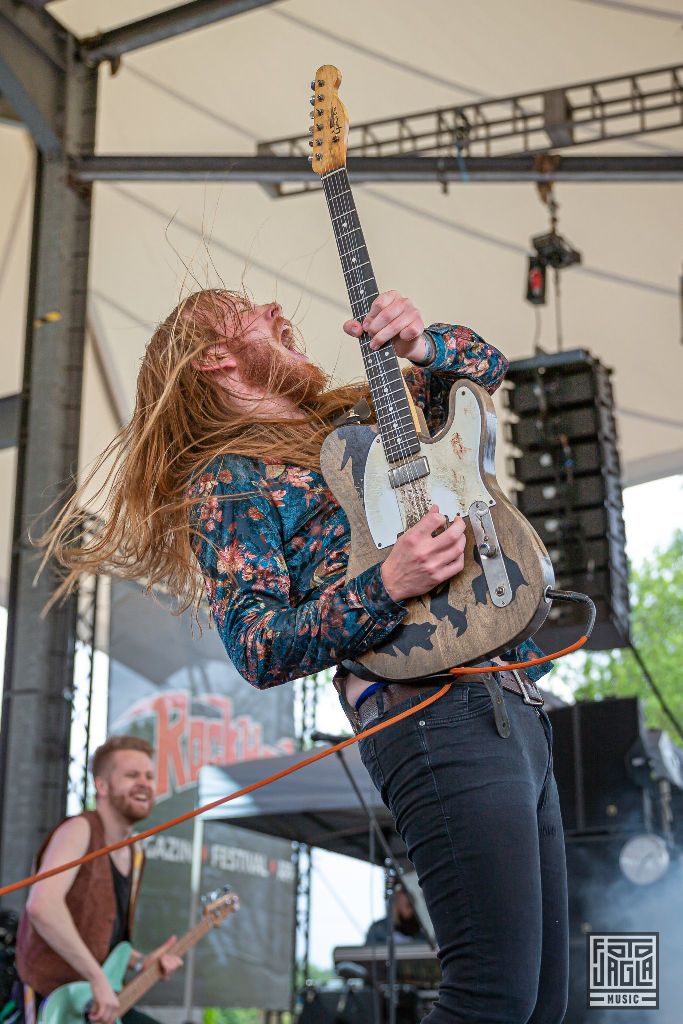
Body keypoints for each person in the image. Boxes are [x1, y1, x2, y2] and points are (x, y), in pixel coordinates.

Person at [42, 287, 568, 1023]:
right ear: (216, 357)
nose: (274, 307)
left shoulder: (360, 417)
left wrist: (423, 346)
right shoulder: (228, 478)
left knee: (543, 1005)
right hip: (428, 711)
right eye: (246, 311)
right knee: (490, 998)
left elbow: (484, 368)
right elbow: (258, 646)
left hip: (512, 701)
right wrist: (387, 583)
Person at [13, 736, 182, 1024]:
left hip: (94, 1004)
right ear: (102, 786)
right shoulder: (79, 829)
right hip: (53, 1003)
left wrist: (140, 962)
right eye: (132, 775)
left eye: (149, 776)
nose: (144, 783)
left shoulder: (135, 853)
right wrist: (97, 978)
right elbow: (42, 906)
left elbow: (101, 937)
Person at [365, 884, 429, 945]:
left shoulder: (419, 931)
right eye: (408, 905)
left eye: (413, 906)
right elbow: (368, 951)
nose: (412, 910)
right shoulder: (377, 930)